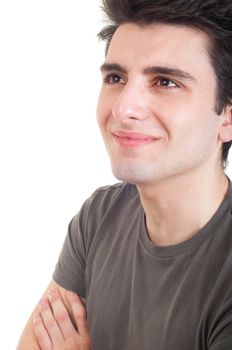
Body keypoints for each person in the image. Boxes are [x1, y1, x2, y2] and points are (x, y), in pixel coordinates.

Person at [17, 0, 232, 349]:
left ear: (226, 117)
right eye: (115, 78)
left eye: (165, 82)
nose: (124, 108)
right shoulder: (100, 216)